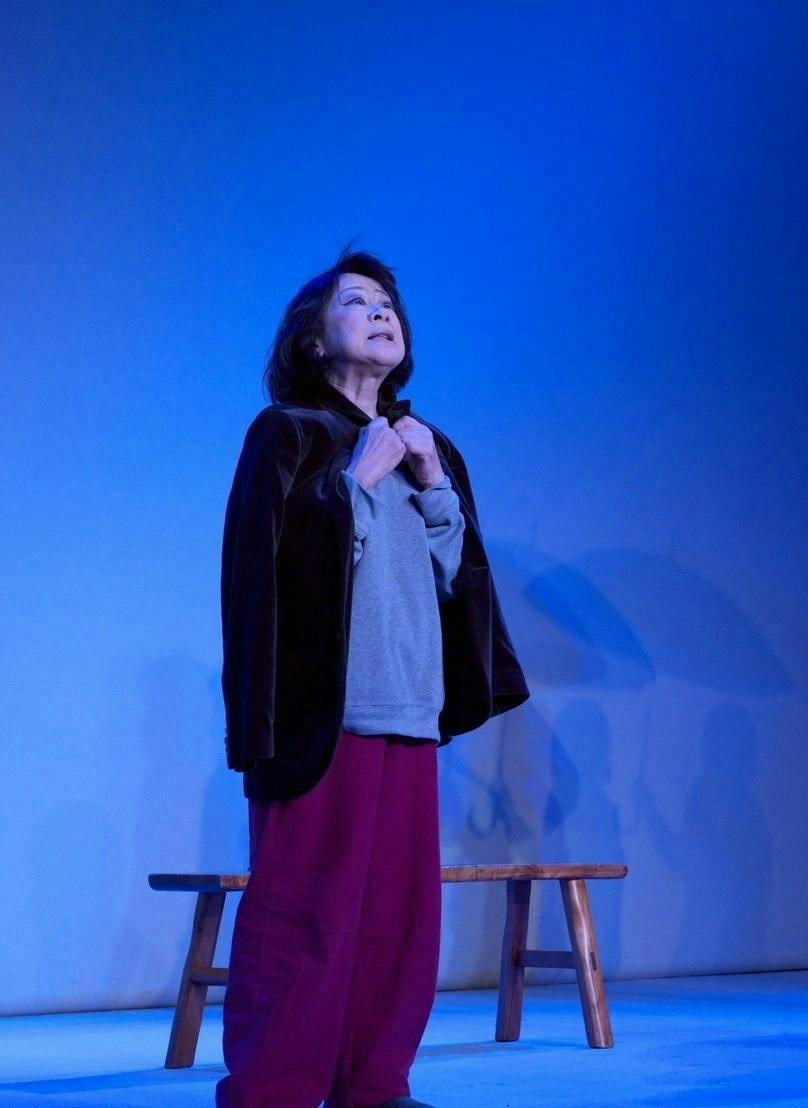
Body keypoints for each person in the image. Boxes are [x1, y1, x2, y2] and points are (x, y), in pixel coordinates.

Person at [217, 250, 528, 1107]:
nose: (381, 311)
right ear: (315, 341)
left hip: (410, 710)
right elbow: (267, 578)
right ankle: (274, 1090)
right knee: (303, 915)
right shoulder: (288, 434)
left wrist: (431, 482)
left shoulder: (430, 446)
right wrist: (357, 479)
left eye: (388, 301)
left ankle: (375, 1085)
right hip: (326, 715)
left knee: (397, 921)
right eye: (357, 302)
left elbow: (457, 582)